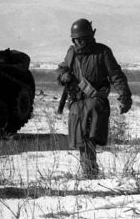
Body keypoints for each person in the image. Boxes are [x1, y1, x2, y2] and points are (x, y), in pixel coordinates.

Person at [56, 19, 132, 178]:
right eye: (77, 39)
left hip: (95, 103)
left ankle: (90, 173)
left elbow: (116, 76)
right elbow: (62, 69)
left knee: (89, 139)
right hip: (77, 102)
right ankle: (89, 172)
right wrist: (64, 76)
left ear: (90, 37)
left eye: (83, 38)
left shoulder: (103, 52)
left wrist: (124, 96)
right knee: (80, 141)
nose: (80, 41)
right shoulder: (72, 53)